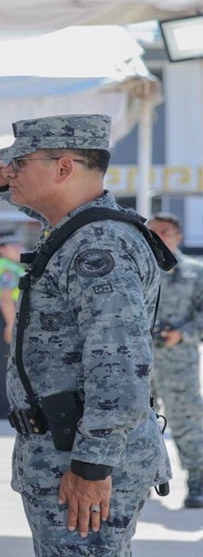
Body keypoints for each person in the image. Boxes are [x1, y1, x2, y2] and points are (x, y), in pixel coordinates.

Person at [0, 114, 171, 556]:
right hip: (65, 447)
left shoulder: (99, 246)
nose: (9, 171)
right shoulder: (80, 230)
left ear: (63, 169)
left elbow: (119, 365)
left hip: (83, 455)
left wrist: (92, 466)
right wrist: (1, 185)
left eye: (19, 163)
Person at [145, 212, 203, 509]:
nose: (157, 237)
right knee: (139, 423)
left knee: (188, 423)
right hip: (139, 362)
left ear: (178, 236)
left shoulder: (194, 271)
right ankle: (140, 483)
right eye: (152, 231)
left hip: (178, 362)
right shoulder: (137, 268)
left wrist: (182, 334)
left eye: (164, 232)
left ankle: (198, 484)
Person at [0, 233, 25, 421]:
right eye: (12, 246)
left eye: (18, 245)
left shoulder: (11, 266)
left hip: (8, 316)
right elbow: (5, 298)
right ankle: (1, 409)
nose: (18, 248)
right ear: (0, 249)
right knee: (5, 364)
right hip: (6, 317)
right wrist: (11, 324)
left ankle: (5, 406)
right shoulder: (6, 269)